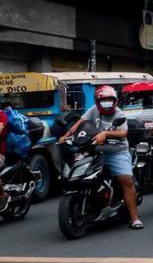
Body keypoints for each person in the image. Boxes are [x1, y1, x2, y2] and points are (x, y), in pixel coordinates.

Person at [59, 85, 144, 230]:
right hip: (95, 150)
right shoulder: (94, 110)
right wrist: (67, 135)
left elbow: (123, 133)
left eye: (110, 100)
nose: (107, 103)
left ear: (115, 101)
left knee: (126, 180)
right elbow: (80, 123)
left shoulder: (119, 114)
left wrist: (106, 134)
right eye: (104, 100)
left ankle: (134, 218)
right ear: (98, 101)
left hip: (116, 151)